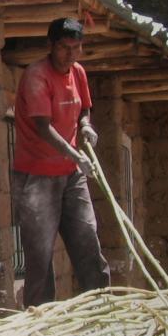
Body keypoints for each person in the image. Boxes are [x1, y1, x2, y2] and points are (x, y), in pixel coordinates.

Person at [12, 17, 111, 308]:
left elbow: (83, 110)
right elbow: (44, 127)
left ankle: (101, 309)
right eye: (64, 47)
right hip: (37, 176)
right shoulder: (36, 76)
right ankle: (41, 321)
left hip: (71, 174)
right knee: (40, 257)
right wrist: (75, 153)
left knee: (87, 240)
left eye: (76, 47)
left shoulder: (78, 72)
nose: (71, 54)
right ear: (50, 46)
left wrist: (86, 127)